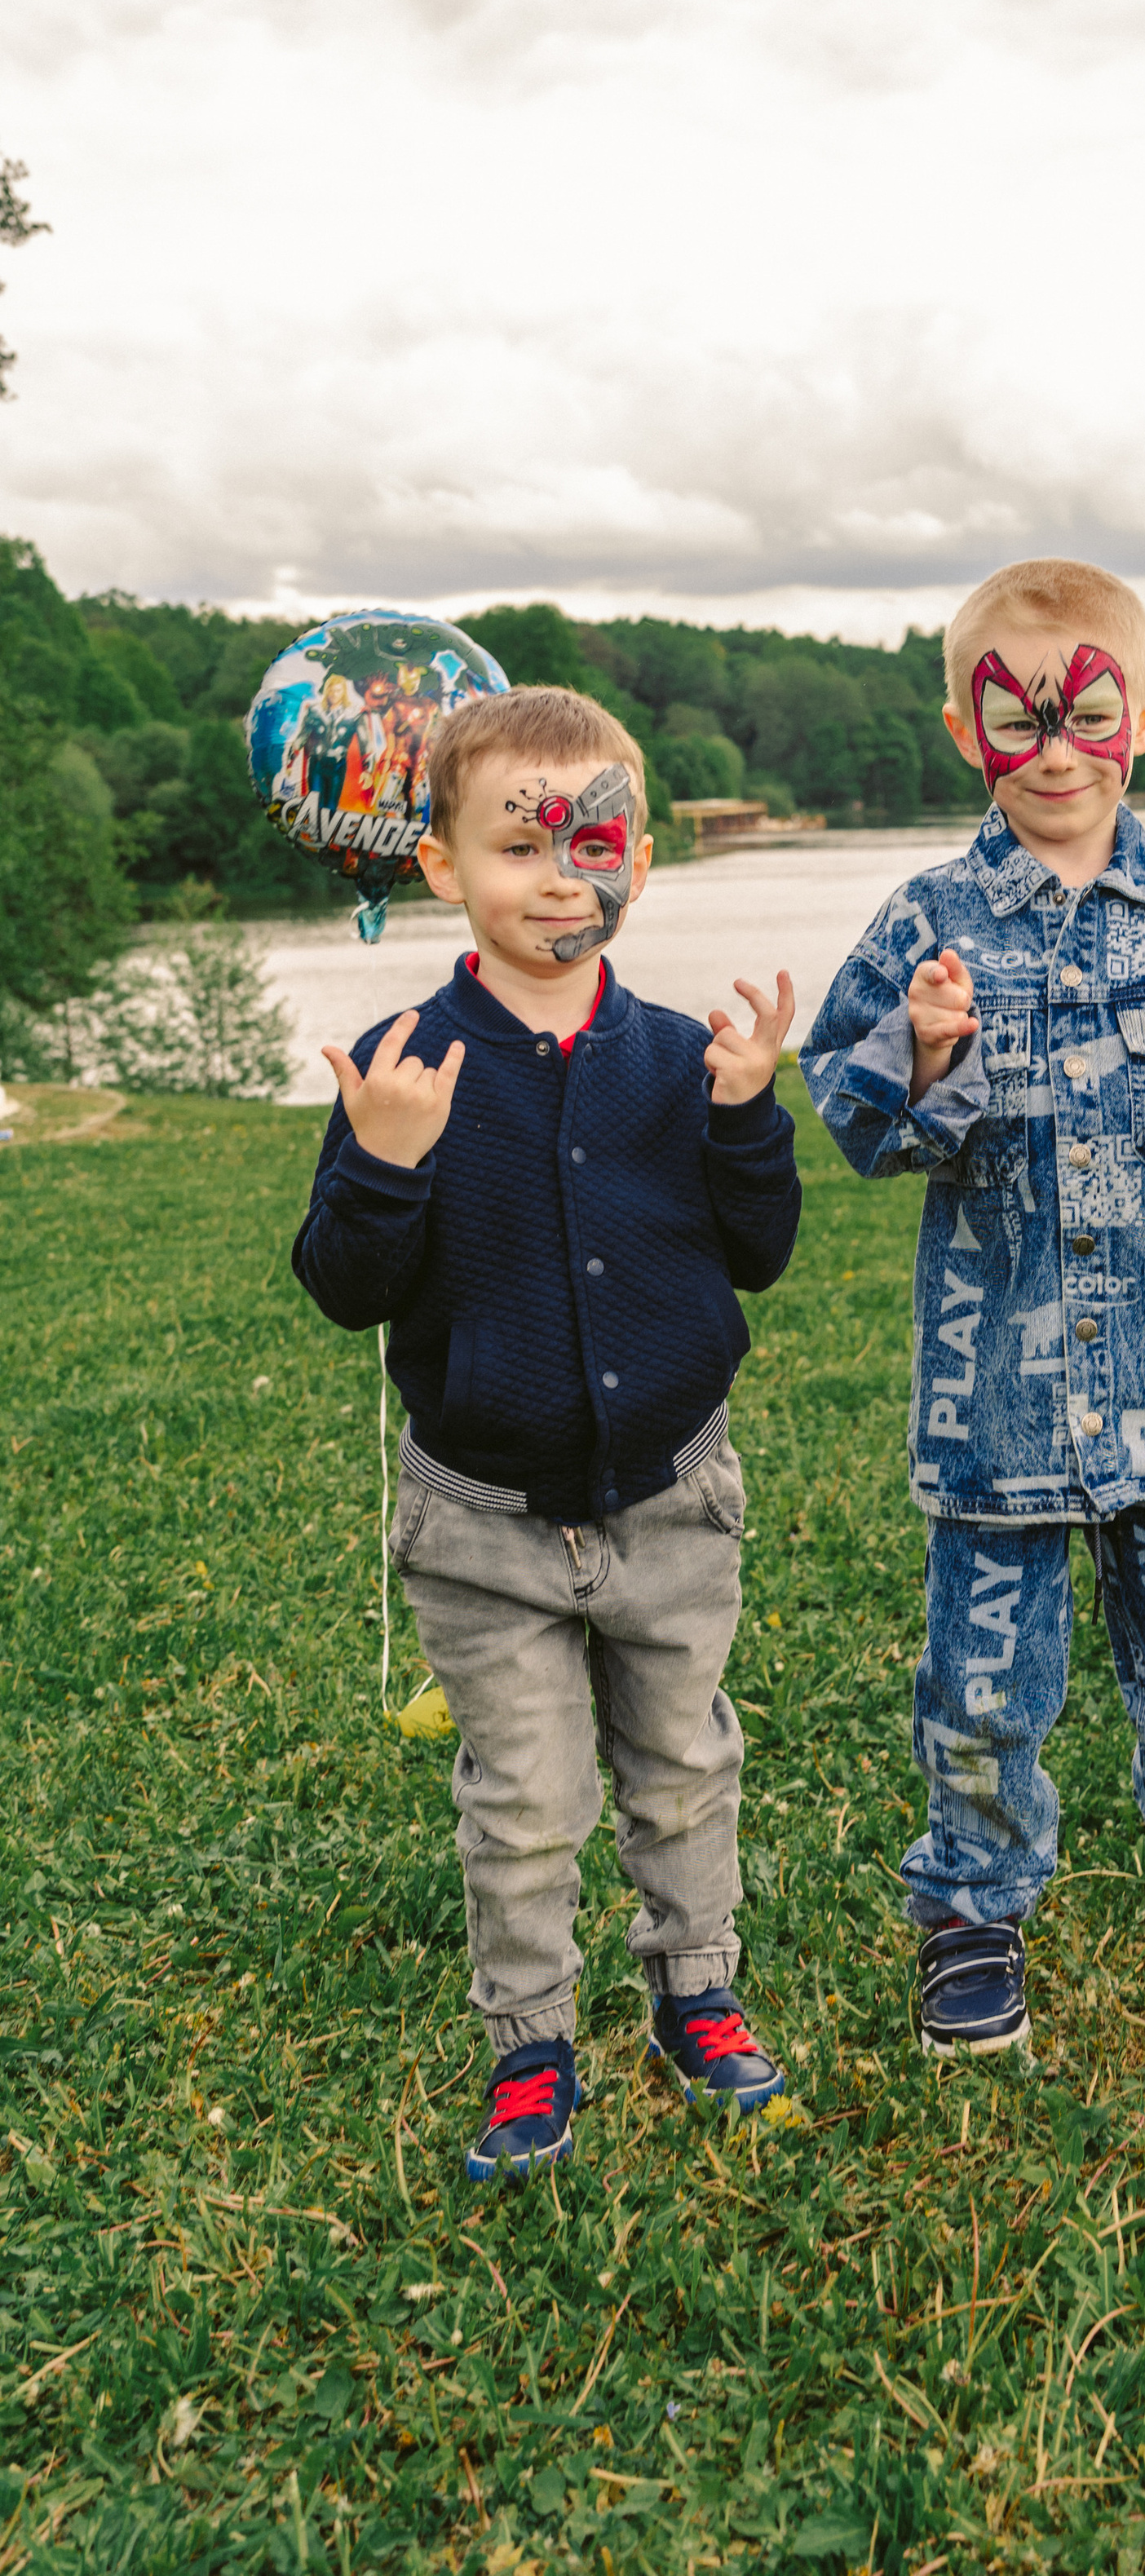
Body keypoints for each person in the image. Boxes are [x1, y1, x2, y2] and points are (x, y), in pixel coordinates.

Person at [800, 556, 1145, 2061]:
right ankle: (975, 1900)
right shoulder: (927, 922)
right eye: (1017, 718)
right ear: (963, 730)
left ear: (1144, 720)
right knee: (985, 1672)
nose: (1055, 752)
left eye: (1088, 715)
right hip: (999, 1393)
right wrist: (923, 1054)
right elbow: (848, 1106)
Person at [293, 686, 803, 2178]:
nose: (562, 878)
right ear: (442, 864)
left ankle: (695, 1992)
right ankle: (531, 2043)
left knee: (684, 1765)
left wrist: (747, 1117)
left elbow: (760, 1252)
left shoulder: (676, 1054)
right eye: (520, 847)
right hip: (482, 1517)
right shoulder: (400, 1062)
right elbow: (343, 1290)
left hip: (674, 1500)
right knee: (524, 1802)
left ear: (640, 857)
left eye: (595, 843)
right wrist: (385, 1165)